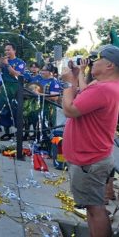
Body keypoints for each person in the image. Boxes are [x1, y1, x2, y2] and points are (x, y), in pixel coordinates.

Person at [62, 45, 119, 237]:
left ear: (110, 65)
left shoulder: (104, 88)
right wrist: (80, 75)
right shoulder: (106, 86)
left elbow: (70, 110)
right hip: (93, 157)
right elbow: (86, 97)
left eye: (97, 59)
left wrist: (69, 85)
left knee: (95, 210)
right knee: (92, 207)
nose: (92, 62)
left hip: (89, 159)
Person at [0, 42, 26, 141]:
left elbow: (17, 75)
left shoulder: (20, 62)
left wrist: (7, 64)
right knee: (3, 110)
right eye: (5, 50)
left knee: (16, 109)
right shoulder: (4, 62)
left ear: (14, 50)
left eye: (9, 49)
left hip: (15, 87)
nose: (7, 52)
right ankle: (7, 132)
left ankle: (19, 132)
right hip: (5, 87)